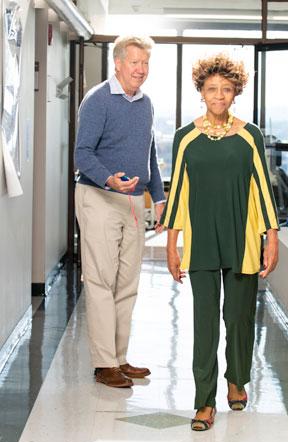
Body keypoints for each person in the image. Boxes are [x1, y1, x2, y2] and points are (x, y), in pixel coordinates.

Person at [160, 53, 279, 430]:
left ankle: (236, 379)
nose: (219, 96)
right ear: (201, 92)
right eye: (212, 89)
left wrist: (271, 237)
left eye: (226, 90)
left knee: (239, 317)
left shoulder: (249, 135)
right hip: (201, 242)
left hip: (242, 238)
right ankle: (204, 402)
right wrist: (171, 245)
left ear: (235, 93)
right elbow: (177, 191)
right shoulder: (186, 138)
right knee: (205, 321)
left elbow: (262, 187)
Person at [74, 36, 166, 388]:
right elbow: (82, 154)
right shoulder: (98, 101)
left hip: (133, 201)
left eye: (145, 63)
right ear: (117, 64)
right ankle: (103, 364)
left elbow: (149, 154)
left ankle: (119, 358)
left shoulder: (146, 104)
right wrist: (110, 179)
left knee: (127, 283)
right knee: (100, 281)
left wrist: (157, 198)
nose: (141, 70)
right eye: (134, 63)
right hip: (98, 196)